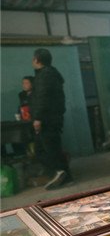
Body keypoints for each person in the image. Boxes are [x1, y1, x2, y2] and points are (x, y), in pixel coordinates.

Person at [31, 48, 72, 190]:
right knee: (53, 147)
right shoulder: (51, 73)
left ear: (37, 60)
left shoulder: (44, 75)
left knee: (44, 150)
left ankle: (59, 171)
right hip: (53, 117)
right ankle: (66, 176)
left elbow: (43, 98)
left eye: (33, 59)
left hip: (47, 119)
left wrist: (38, 118)